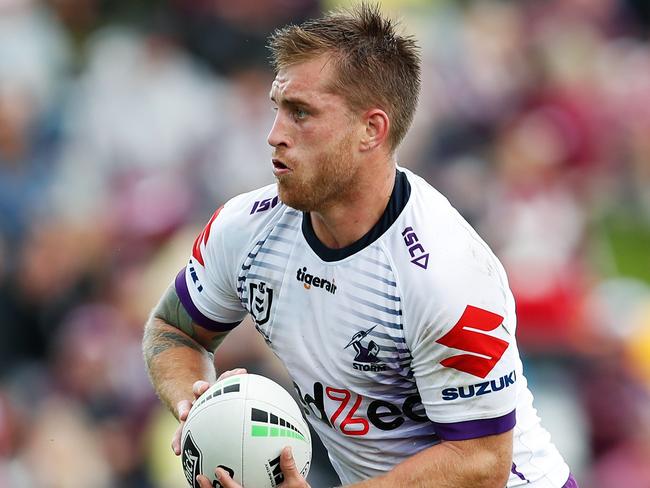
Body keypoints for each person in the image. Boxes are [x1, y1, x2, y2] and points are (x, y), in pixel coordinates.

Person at [142, 4, 578, 487]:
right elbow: (173, 330)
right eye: (277, 109)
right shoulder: (244, 230)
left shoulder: (446, 273)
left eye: (301, 114)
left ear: (371, 130)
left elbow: (480, 463)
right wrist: (197, 405)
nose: (274, 136)